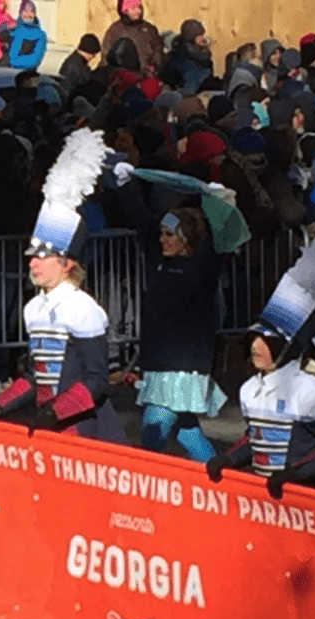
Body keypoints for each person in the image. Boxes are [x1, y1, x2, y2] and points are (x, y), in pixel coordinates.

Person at [206, 216, 315, 590]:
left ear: (288, 347)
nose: (257, 346)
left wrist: (295, 474)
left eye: (268, 341)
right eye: (255, 337)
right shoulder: (248, 390)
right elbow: (256, 437)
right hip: (268, 506)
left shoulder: (312, 391)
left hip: (308, 503)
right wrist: (230, 458)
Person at [0, 129, 127, 443]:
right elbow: (34, 375)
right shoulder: (33, 307)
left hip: (81, 426)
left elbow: (96, 380)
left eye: (43, 257)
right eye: (31, 256)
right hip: (49, 424)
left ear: (67, 263)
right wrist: (0, 407)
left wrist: (57, 412)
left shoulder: (83, 308)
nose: (32, 263)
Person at [119, 174, 226, 462]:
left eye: (170, 234)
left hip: (181, 367)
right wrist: (125, 185)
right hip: (158, 364)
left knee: (152, 437)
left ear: (186, 237)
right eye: (162, 234)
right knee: (187, 433)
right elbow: (143, 223)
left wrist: (217, 202)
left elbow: (219, 241)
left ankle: (150, 493)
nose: (162, 239)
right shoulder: (160, 264)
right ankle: (221, 482)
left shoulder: (200, 269)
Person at [100, 0, 163, 76]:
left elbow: (158, 49)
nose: (138, 11)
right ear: (124, 11)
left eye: (139, 7)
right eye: (133, 8)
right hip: (124, 79)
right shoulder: (114, 30)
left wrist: (155, 65)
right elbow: (106, 56)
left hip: (147, 77)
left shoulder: (149, 29)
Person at [162, 19, 213, 95]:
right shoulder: (182, 58)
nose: (203, 38)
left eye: (203, 35)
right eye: (200, 36)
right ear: (191, 38)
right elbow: (189, 88)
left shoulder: (203, 55)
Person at [8, 0, 47, 71]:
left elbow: (35, 59)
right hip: (9, 74)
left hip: (28, 75)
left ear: (35, 14)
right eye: (25, 11)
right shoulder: (13, 30)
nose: (28, 14)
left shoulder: (40, 35)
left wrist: (14, 62)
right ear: (20, 12)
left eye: (31, 11)